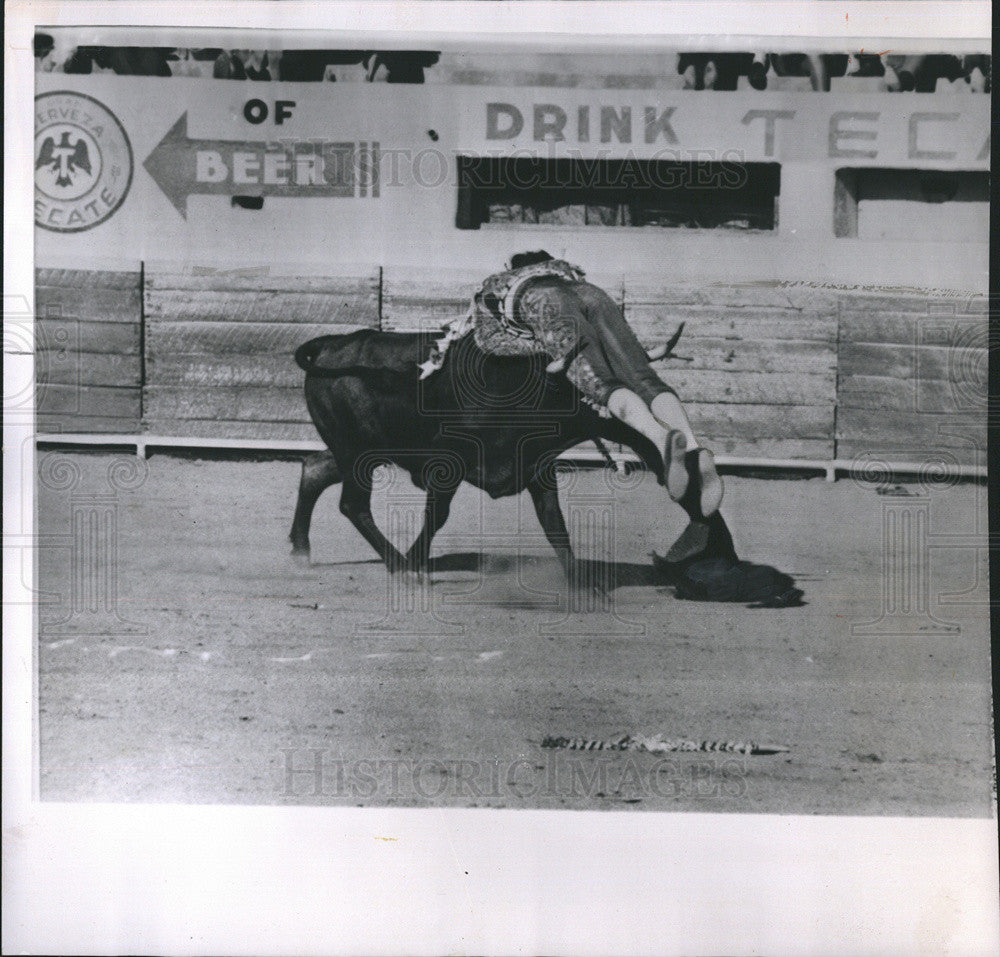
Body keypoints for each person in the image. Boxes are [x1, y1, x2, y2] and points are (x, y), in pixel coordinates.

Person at [423, 251, 724, 518]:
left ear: (512, 268)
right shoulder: (567, 271)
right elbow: (604, 340)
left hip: (540, 303)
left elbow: (490, 341)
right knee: (644, 379)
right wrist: (639, 354)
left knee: (601, 386)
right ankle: (694, 449)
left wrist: (544, 351)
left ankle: (661, 440)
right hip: (593, 295)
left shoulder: (496, 284)